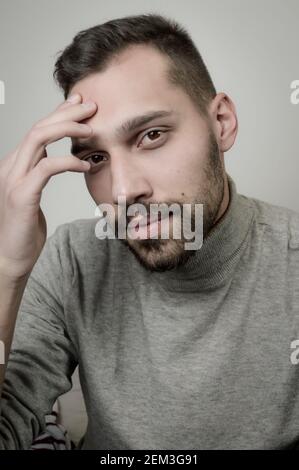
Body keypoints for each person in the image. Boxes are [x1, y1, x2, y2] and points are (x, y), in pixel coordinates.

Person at [0, 12, 299, 450]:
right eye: (95, 158)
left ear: (221, 123)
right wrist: (7, 269)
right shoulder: (71, 259)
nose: (122, 192)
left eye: (152, 135)